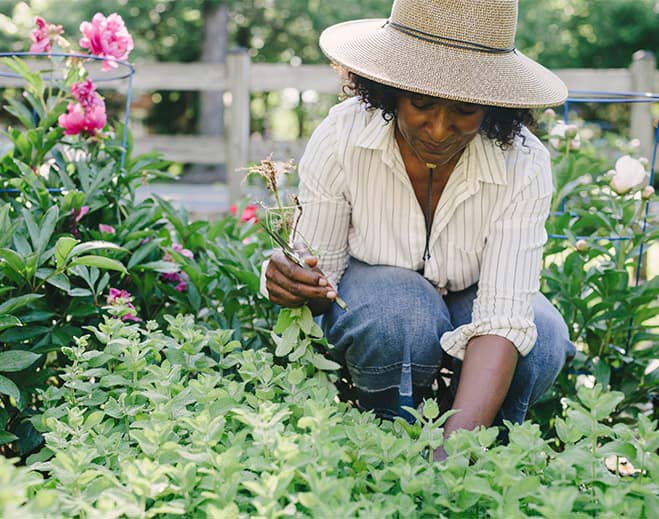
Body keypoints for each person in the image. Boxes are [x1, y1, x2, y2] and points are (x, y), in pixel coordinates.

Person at [260, 0, 576, 460]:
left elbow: (504, 318)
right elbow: (321, 281)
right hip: (381, 304)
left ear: (493, 107)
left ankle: (486, 460)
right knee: (400, 312)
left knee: (542, 336)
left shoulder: (523, 162)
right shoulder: (344, 136)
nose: (439, 129)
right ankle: (387, 445)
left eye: (466, 111)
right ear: (390, 90)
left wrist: (449, 461)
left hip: (475, 299)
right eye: (421, 104)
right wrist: (291, 282)